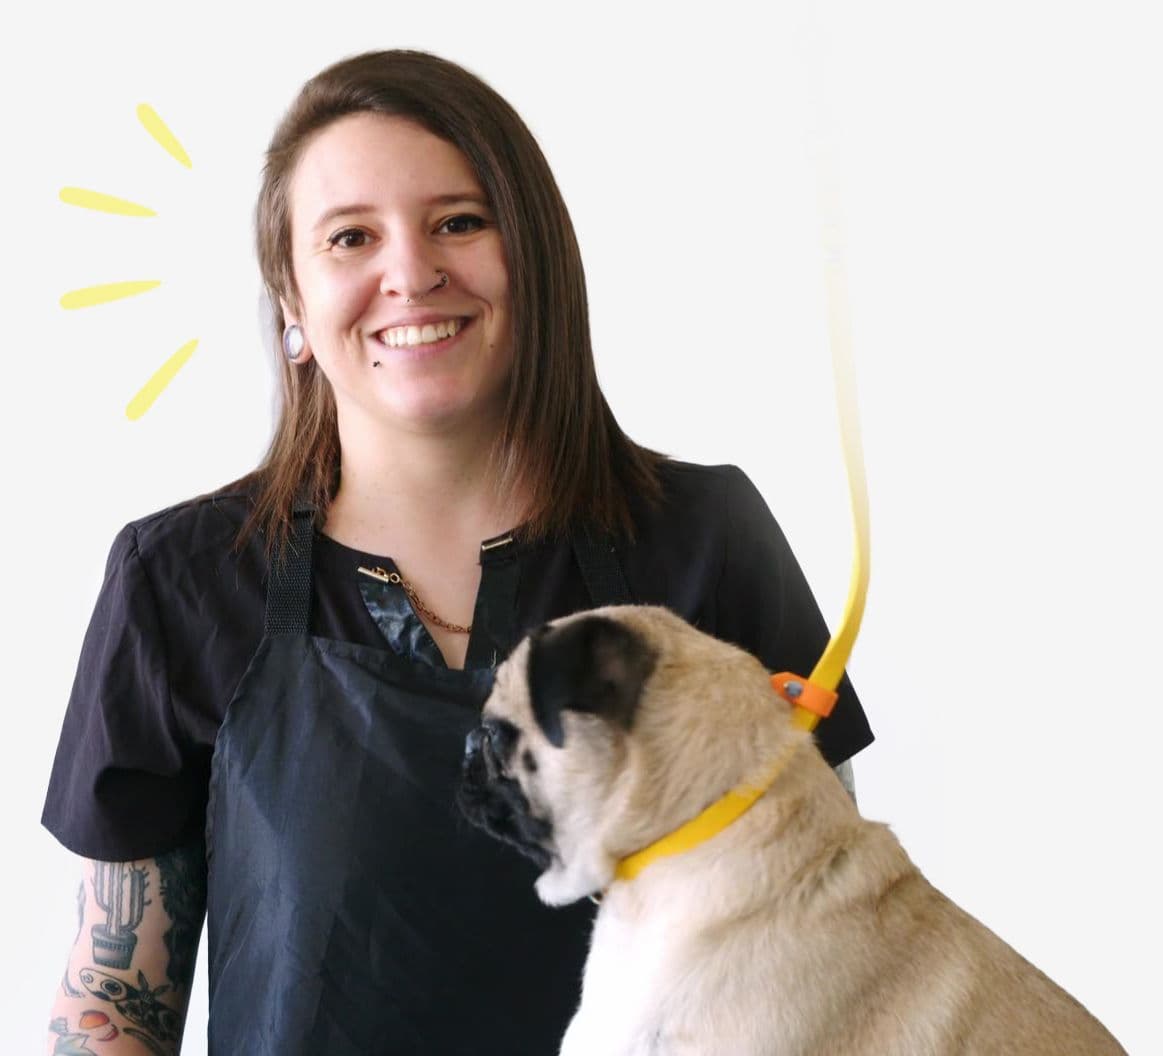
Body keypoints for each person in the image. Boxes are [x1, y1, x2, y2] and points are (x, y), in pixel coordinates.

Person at [42, 48, 874, 1056]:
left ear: (534, 256)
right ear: (292, 306)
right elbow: (112, 1008)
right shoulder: (178, 581)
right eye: (350, 237)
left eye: (459, 222)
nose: (411, 272)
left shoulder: (708, 540)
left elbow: (832, 954)